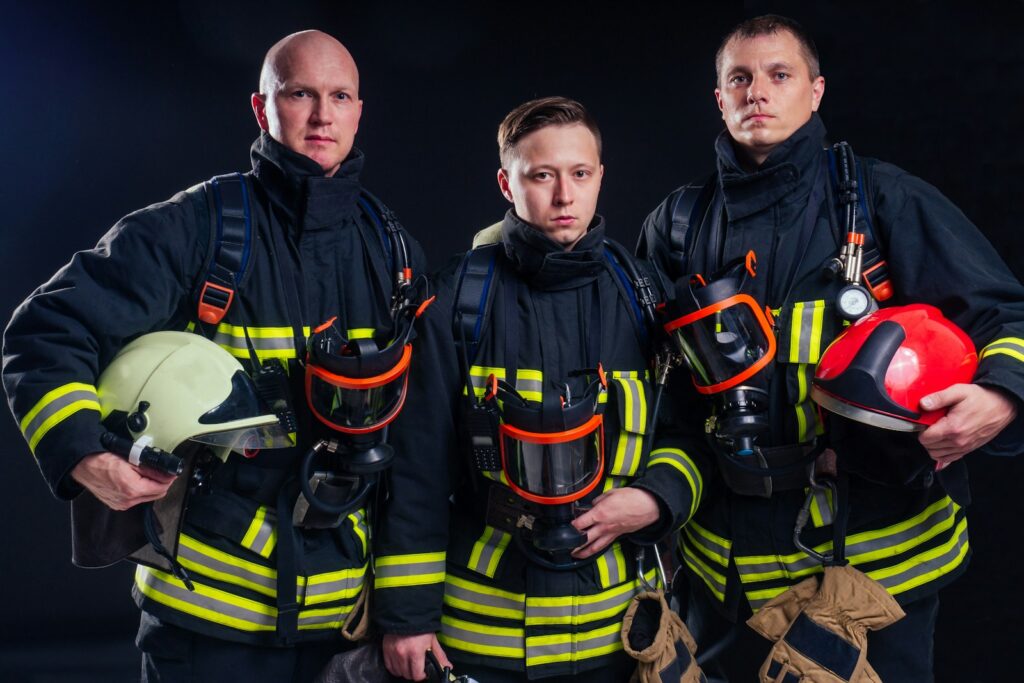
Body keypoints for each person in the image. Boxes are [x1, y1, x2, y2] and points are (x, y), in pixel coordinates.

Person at [2, 29, 436, 682]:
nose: (322, 115)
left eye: (340, 96)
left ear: (358, 112)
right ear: (262, 108)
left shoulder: (392, 251)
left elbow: (420, 445)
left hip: (343, 632)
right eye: (300, 94)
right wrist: (84, 454)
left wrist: (407, 610)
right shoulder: (199, 228)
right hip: (205, 633)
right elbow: (45, 328)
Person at [637, 14, 1024, 681]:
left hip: (872, 574)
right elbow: (643, 381)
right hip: (724, 572)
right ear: (720, 98)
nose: (758, 91)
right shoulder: (677, 224)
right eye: (740, 78)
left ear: (815, 92)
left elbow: (1006, 315)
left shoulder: (881, 200)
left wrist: (1001, 396)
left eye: (779, 74)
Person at [374, 97, 701, 681]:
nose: (564, 196)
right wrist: (407, 618)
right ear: (507, 183)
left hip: (614, 639)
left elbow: (688, 429)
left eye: (580, 173)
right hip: (483, 638)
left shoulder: (643, 296)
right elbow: (416, 470)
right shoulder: (454, 302)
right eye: (542, 176)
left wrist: (657, 498)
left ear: (601, 177)